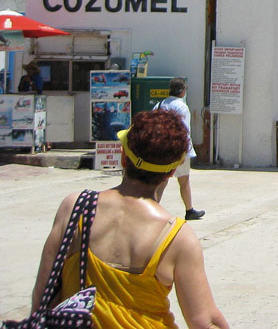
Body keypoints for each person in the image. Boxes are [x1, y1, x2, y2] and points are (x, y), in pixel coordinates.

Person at [28, 110, 229, 328]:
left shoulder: (76, 208)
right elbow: (205, 320)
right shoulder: (177, 237)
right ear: (171, 172)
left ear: (123, 157)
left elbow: (43, 294)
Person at [154, 78, 203, 221]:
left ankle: (153, 207)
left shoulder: (160, 104)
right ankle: (189, 210)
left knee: (162, 180)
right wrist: (184, 152)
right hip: (177, 149)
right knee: (184, 180)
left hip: (161, 148)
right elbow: (184, 130)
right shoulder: (181, 107)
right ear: (182, 91)